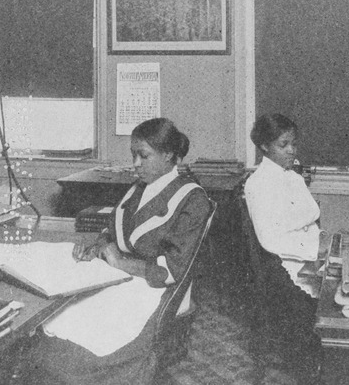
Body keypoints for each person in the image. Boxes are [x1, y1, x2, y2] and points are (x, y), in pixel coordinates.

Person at [26, 118, 212, 384]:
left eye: (143, 156)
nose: (136, 163)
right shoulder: (138, 189)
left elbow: (170, 271)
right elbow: (111, 232)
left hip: (154, 289)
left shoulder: (192, 199)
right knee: (59, 322)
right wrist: (96, 249)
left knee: (91, 349)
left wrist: (119, 262)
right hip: (122, 280)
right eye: (133, 155)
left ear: (168, 155)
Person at [243, 113, 327, 383]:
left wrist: (317, 241)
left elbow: (311, 213)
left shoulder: (292, 176)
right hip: (282, 265)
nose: (291, 150)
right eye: (284, 144)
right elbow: (270, 239)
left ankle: (323, 361)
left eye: (293, 143)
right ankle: (310, 367)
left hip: (304, 252)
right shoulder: (258, 183)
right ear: (265, 146)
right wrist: (314, 249)